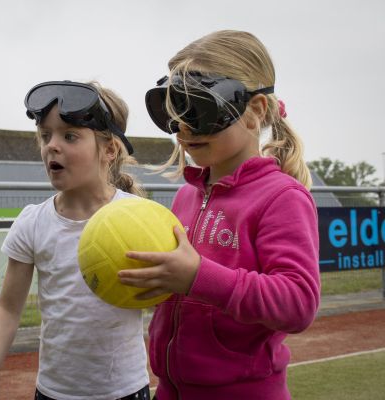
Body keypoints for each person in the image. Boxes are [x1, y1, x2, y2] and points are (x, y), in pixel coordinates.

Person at [118, 30, 320, 400]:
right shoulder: (184, 197)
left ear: (255, 110)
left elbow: (298, 303)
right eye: (175, 110)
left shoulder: (282, 197)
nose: (183, 127)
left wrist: (198, 277)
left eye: (200, 108)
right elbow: (183, 294)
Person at [0, 80, 151, 400]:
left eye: (69, 136)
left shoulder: (137, 216)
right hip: (54, 392)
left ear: (109, 149)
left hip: (125, 390)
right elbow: (8, 308)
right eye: (45, 135)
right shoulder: (33, 222)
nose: (52, 145)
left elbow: (165, 295)